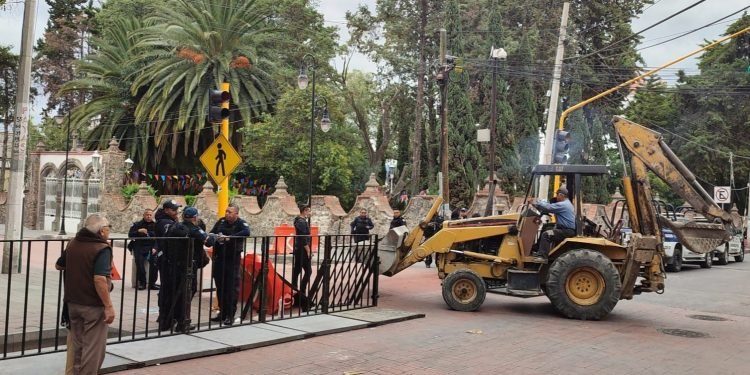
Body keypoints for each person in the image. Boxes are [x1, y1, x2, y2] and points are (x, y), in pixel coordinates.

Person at [63, 213, 115, 374]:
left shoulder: (73, 243)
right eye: (108, 228)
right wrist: (109, 306)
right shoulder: (102, 248)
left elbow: (59, 265)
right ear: (101, 231)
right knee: (94, 349)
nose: (109, 231)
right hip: (92, 305)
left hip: (73, 302)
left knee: (78, 346)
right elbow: (99, 279)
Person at [210, 204, 250, 326]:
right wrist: (216, 237)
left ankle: (230, 315)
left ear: (236, 214)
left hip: (232, 259)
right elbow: (212, 232)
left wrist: (229, 237)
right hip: (219, 257)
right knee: (220, 286)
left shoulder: (241, 223)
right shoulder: (221, 221)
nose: (227, 213)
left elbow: (246, 232)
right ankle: (222, 313)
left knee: (231, 288)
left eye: (230, 212)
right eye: (226, 211)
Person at [155, 200, 181, 331]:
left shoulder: (169, 221)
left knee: (169, 289)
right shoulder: (164, 222)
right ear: (166, 210)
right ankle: (165, 319)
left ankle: (167, 316)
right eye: (173, 209)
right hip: (166, 259)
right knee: (168, 290)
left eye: (176, 209)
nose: (176, 212)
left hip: (170, 260)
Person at [532, 187, 576, 258]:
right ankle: (537, 249)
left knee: (546, 234)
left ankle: (542, 256)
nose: (556, 197)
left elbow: (549, 207)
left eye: (557, 195)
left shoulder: (563, 205)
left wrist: (536, 202)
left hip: (566, 231)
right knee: (547, 227)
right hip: (565, 229)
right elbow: (550, 208)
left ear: (561, 195)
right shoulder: (567, 203)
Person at [128, 208, 157, 290]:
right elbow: (130, 235)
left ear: (152, 216)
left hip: (151, 247)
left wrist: (155, 248)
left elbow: (158, 238)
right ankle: (142, 283)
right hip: (139, 246)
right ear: (143, 215)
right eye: (147, 215)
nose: (148, 216)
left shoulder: (156, 225)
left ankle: (152, 283)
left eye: (150, 215)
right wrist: (138, 231)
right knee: (139, 263)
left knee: (155, 263)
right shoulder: (137, 224)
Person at [293, 205, 312, 294]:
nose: (310, 213)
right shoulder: (301, 221)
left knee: (297, 269)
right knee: (307, 270)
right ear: (304, 211)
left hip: (300, 248)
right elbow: (303, 237)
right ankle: (301, 290)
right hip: (301, 249)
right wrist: (308, 249)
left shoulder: (301, 220)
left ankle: (295, 288)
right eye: (309, 211)